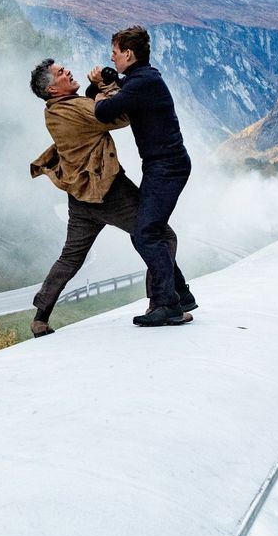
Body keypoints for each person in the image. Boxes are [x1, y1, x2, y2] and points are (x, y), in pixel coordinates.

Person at [28, 58, 196, 338]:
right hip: (110, 193)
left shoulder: (54, 112)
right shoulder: (78, 108)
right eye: (60, 73)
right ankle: (162, 303)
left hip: (80, 197)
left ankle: (40, 318)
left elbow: (94, 110)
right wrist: (112, 87)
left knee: (70, 258)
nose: (67, 71)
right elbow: (121, 116)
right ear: (53, 89)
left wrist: (97, 89)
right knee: (159, 235)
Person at [92, 25, 192, 327]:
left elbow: (104, 112)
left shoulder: (142, 83)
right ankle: (181, 296)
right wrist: (109, 80)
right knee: (150, 231)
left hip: (167, 167)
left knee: (145, 233)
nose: (112, 57)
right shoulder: (143, 78)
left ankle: (168, 304)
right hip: (163, 165)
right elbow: (122, 86)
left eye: (115, 52)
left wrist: (98, 91)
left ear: (128, 54)